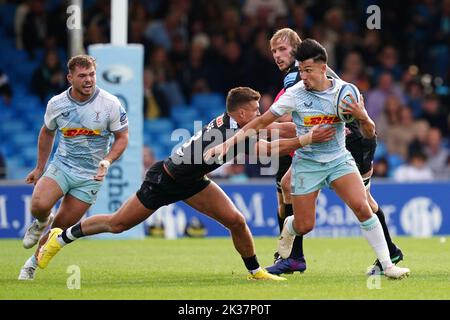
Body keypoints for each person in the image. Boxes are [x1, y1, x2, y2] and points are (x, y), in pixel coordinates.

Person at [36, 87, 335, 281]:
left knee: (236, 220)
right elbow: (268, 147)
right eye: (256, 111)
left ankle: (255, 271)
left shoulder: (235, 125)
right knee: (117, 224)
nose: (259, 116)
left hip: (193, 181)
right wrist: (307, 138)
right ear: (242, 113)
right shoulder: (228, 134)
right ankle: (61, 238)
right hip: (164, 180)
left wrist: (309, 123)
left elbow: (272, 127)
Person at [207, 39, 410, 279]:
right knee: (304, 225)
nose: (303, 75)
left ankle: (388, 266)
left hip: (338, 159)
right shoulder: (294, 94)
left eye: (308, 70)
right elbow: (261, 122)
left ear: (323, 68)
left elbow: (368, 131)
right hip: (308, 164)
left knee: (362, 207)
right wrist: (228, 143)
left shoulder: (346, 93)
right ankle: (289, 229)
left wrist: (363, 117)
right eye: (301, 69)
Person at [266, 30, 405, 276]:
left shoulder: (297, 79)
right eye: (274, 51)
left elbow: (297, 117)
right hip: (335, 137)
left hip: (352, 140)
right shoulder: (303, 75)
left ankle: (390, 253)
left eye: (283, 49)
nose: (277, 55)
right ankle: (294, 255)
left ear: (297, 51)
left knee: (364, 202)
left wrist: (269, 129)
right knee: (287, 185)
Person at [18, 54, 129, 280]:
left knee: (57, 231)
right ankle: (41, 221)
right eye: (82, 76)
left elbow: (122, 137)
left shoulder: (110, 104)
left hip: (90, 176)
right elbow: (47, 132)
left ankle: (30, 265)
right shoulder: (57, 104)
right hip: (63, 165)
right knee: (39, 205)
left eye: (92, 75)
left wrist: (107, 161)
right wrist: (40, 168)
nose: (88, 80)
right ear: (70, 78)